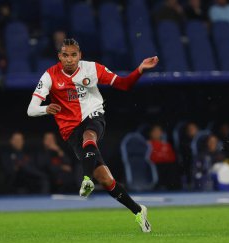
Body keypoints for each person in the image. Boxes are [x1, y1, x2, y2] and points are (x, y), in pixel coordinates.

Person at [27, 38, 158, 232]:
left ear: (80, 56)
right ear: (59, 57)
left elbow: (123, 85)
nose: (70, 59)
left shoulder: (92, 69)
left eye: (74, 55)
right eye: (65, 55)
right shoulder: (49, 76)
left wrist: (139, 69)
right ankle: (139, 211)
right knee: (106, 180)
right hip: (70, 131)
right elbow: (31, 110)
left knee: (90, 135)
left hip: (93, 116)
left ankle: (86, 179)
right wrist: (47, 109)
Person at [148, 125, 181, 190]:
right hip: (154, 165)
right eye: (155, 131)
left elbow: (172, 158)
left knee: (173, 166)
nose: (157, 133)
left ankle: (173, 187)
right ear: (151, 133)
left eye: (159, 131)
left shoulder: (166, 144)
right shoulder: (147, 144)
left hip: (167, 165)